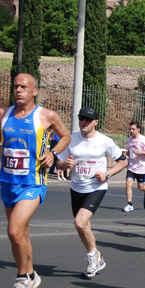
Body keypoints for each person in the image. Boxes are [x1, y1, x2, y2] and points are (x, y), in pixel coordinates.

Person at [0, 73, 70, 288]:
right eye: (15, 86)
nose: (18, 90)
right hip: (9, 182)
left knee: (14, 229)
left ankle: (22, 279)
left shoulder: (46, 115)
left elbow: (66, 135)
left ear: (35, 91)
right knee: (20, 234)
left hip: (33, 183)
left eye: (23, 86)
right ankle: (31, 273)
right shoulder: (4, 113)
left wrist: (53, 153)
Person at [56, 107, 128, 277]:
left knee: (80, 222)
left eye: (88, 119)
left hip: (96, 188)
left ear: (95, 122)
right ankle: (96, 257)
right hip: (76, 187)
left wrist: (107, 174)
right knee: (84, 226)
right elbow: (58, 163)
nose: (84, 122)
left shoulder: (105, 141)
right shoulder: (71, 139)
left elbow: (123, 161)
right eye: (81, 118)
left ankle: (91, 256)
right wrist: (65, 165)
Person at [123, 121, 145, 212]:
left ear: (138, 129)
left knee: (141, 187)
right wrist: (125, 157)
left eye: (133, 129)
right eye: (130, 129)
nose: (131, 131)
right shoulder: (129, 139)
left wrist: (140, 152)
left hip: (141, 167)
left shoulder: (144, 140)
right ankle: (129, 204)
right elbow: (128, 151)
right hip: (131, 166)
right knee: (128, 182)